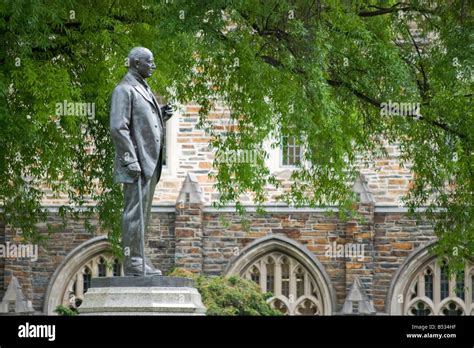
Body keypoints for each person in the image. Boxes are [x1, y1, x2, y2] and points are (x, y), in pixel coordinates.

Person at [110, 47, 173, 276]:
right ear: (137, 63)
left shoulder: (142, 88)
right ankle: (134, 263)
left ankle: (139, 259)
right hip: (136, 165)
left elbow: (140, 120)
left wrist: (161, 113)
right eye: (150, 62)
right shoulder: (124, 89)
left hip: (148, 164)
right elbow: (118, 127)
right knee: (134, 214)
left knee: (143, 216)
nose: (153, 66)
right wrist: (130, 160)